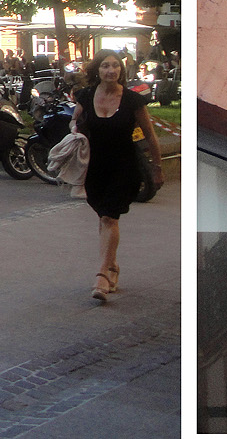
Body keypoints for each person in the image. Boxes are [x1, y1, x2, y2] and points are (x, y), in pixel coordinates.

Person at [74, 50, 163, 302]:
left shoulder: (133, 101)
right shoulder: (86, 95)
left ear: (121, 71)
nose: (110, 70)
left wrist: (157, 167)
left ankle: (101, 275)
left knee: (110, 217)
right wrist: (74, 131)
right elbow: (75, 122)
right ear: (97, 70)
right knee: (104, 218)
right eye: (105, 66)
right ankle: (112, 266)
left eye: (115, 66)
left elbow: (150, 135)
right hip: (95, 168)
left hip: (124, 166)